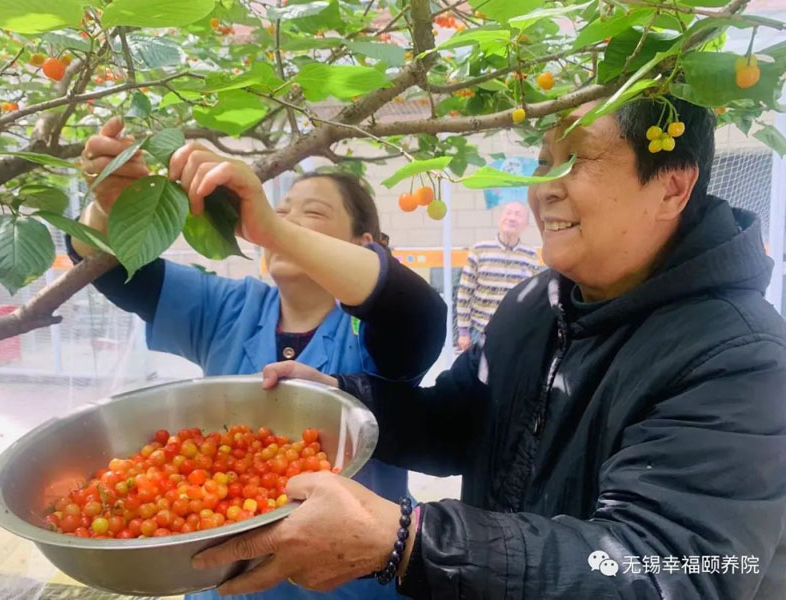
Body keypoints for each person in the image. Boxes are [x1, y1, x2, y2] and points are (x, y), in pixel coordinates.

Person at [190, 97, 786, 599]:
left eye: (576, 159)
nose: (542, 188)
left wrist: (411, 543)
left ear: (672, 186)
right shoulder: (536, 302)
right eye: (545, 159)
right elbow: (461, 421)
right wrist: (345, 401)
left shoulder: (741, 356)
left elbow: (672, 569)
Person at [72, 117, 447, 600]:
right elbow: (111, 269)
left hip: (350, 586)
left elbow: (415, 314)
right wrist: (110, 205)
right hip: (223, 584)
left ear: (364, 247)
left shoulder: (368, 332)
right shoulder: (229, 307)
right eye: (280, 209)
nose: (283, 221)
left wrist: (271, 228)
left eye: (310, 214)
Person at [456, 201, 543, 351]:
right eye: (508, 212)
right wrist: (463, 332)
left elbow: (534, 299)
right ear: (499, 219)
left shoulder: (531, 256)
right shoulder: (479, 250)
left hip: (516, 333)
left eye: (518, 214)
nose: (512, 218)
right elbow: (465, 293)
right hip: (481, 332)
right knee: (478, 374)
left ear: (525, 225)